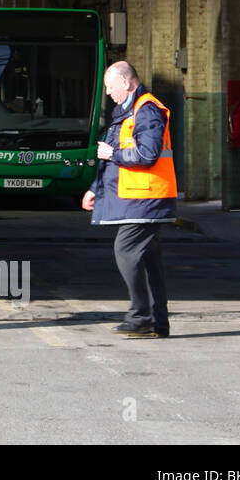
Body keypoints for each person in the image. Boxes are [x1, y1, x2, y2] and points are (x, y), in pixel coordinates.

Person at [81, 61, 177, 339]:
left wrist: (113, 155)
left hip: (147, 199)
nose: (108, 93)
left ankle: (140, 316)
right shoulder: (127, 112)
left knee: (126, 251)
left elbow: (146, 155)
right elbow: (115, 156)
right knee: (150, 260)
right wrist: (95, 188)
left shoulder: (146, 111)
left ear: (126, 82)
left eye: (111, 87)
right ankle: (158, 322)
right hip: (140, 199)